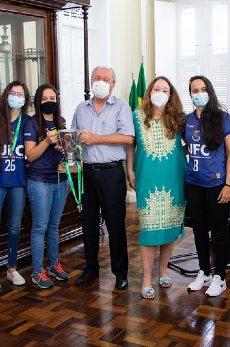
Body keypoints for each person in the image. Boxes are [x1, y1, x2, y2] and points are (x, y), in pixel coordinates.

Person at [71, 66, 134, 290]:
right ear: (90, 81)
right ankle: (90, 269)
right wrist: (68, 148)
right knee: (88, 225)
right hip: (86, 173)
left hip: (111, 173)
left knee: (115, 225)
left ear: (113, 84)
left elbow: (127, 137)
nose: (101, 81)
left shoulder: (121, 106)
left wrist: (96, 138)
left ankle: (120, 273)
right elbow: (73, 141)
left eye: (106, 79)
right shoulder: (81, 108)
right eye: (97, 78)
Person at [126, 76, 186, 299]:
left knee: (170, 227)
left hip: (173, 177)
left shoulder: (179, 119)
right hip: (147, 178)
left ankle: (163, 271)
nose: (160, 92)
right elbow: (130, 146)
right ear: (150, 91)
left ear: (171, 95)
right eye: (156, 88)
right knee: (149, 229)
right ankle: (146, 279)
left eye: (165, 89)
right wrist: (129, 170)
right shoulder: (136, 116)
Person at [184, 75, 230, 296]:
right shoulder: (187, 120)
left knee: (219, 232)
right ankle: (204, 272)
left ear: (210, 91)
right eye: (195, 90)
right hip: (193, 184)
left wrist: (229, 185)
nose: (199, 93)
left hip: (217, 185)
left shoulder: (223, 118)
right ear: (190, 95)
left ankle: (220, 276)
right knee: (199, 231)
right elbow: (187, 148)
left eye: (203, 89)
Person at [0, 81, 32, 290]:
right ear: (5, 95)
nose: (16, 97)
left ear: (25, 99)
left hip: (19, 180)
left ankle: (12, 268)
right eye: (12, 93)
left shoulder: (28, 121)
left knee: (14, 226)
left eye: (20, 94)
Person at [24, 84, 69, 289]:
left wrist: (68, 146)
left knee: (53, 226)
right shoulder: (32, 124)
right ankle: (37, 271)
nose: (49, 102)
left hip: (60, 180)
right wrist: (46, 141)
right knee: (40, 227)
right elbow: (30, 156)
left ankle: (53, 264)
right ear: (38, 102)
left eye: (52, 98)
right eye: (44, 99)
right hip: (39, 180)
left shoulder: (62, 122)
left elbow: (67, 153)